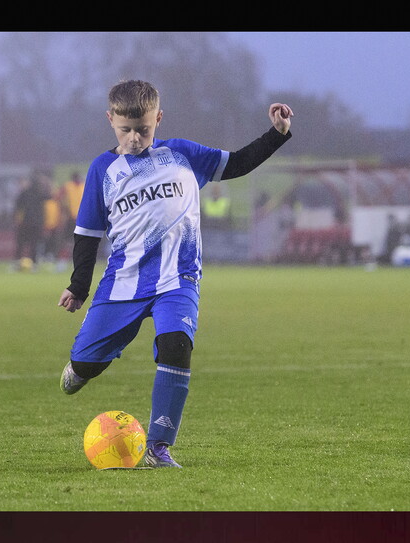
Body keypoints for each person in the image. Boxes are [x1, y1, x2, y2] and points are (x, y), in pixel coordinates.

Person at [57, 79, 293, 468]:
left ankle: (158, 447)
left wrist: (276, 134)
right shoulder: (103, 170)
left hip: (178, 280)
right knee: (85, 363)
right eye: (125, 130)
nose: (134, 138)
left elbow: (235, 163)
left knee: (176, 345)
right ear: (110, 120)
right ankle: (83, 366)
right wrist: (78, 286)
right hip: (124, 283)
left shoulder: (182, 154)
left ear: (159, 119)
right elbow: (87, 235)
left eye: (143, 129)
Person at [12, 170, 50, 272]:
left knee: (21, 243)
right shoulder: (40, 193)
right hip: (37, 223)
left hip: (26, 222)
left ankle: (17, 263)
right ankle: (34, 264)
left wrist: (16, 219)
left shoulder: (25, 192)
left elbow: (17, 206)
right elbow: (50, 196)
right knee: (34, 244)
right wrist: (47, 183)